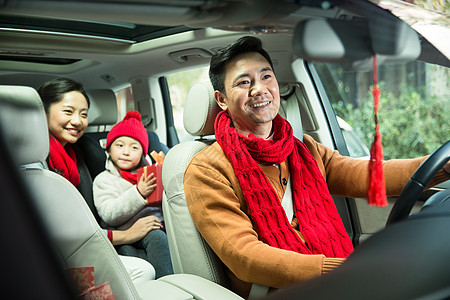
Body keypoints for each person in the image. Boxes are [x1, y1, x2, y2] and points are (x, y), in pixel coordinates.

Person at [183, 36, 450, 298]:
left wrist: (443, 167)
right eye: (244, 82)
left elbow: (368, 175)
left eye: (266, 77)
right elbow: (245, 256)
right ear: (221, 100)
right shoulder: (206, 170)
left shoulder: (302, 148)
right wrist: (341, 270)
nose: (259, 89)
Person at [37, 77, 156, 284]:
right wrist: (127, 235)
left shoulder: (78, 155)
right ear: (43, 111)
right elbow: (60, 230)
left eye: (83, 114)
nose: (77, 121)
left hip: (82, 244)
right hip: (54, 256)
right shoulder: (34, 160)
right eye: (68, 111)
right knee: (143, 271)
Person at [93, 111, 173, 279]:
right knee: (155, 238)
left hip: (160, 224)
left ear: (143, 153)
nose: (126, 152)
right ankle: (165, 283)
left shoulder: (150, 174)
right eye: (119, 145)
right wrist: (138, 193)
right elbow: (109, 214)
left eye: (134, 147)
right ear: (108, 149)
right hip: (125, 229)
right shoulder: (105, 179)